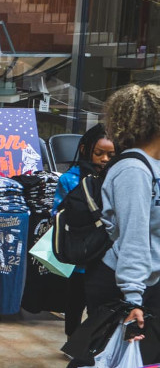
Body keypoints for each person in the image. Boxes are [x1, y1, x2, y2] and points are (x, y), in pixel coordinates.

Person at [40, 84, 160, 368]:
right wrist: (133, 296)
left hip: (147, 277)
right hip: (120, 279)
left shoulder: (153, 166)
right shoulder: (132, 170)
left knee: (143, 356)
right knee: (100, 353)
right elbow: (134, 238)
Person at [54, 124, 116, 338]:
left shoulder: (116, 177)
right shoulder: (69, 179)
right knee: (75, 299)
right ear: (85, 149)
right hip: (79, 249)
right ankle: (72, 338)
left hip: (105, 251)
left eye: (111, 154)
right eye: (99, 153)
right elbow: (58, 212)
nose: (105, 159)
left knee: (96, 302)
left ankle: (90, 340)